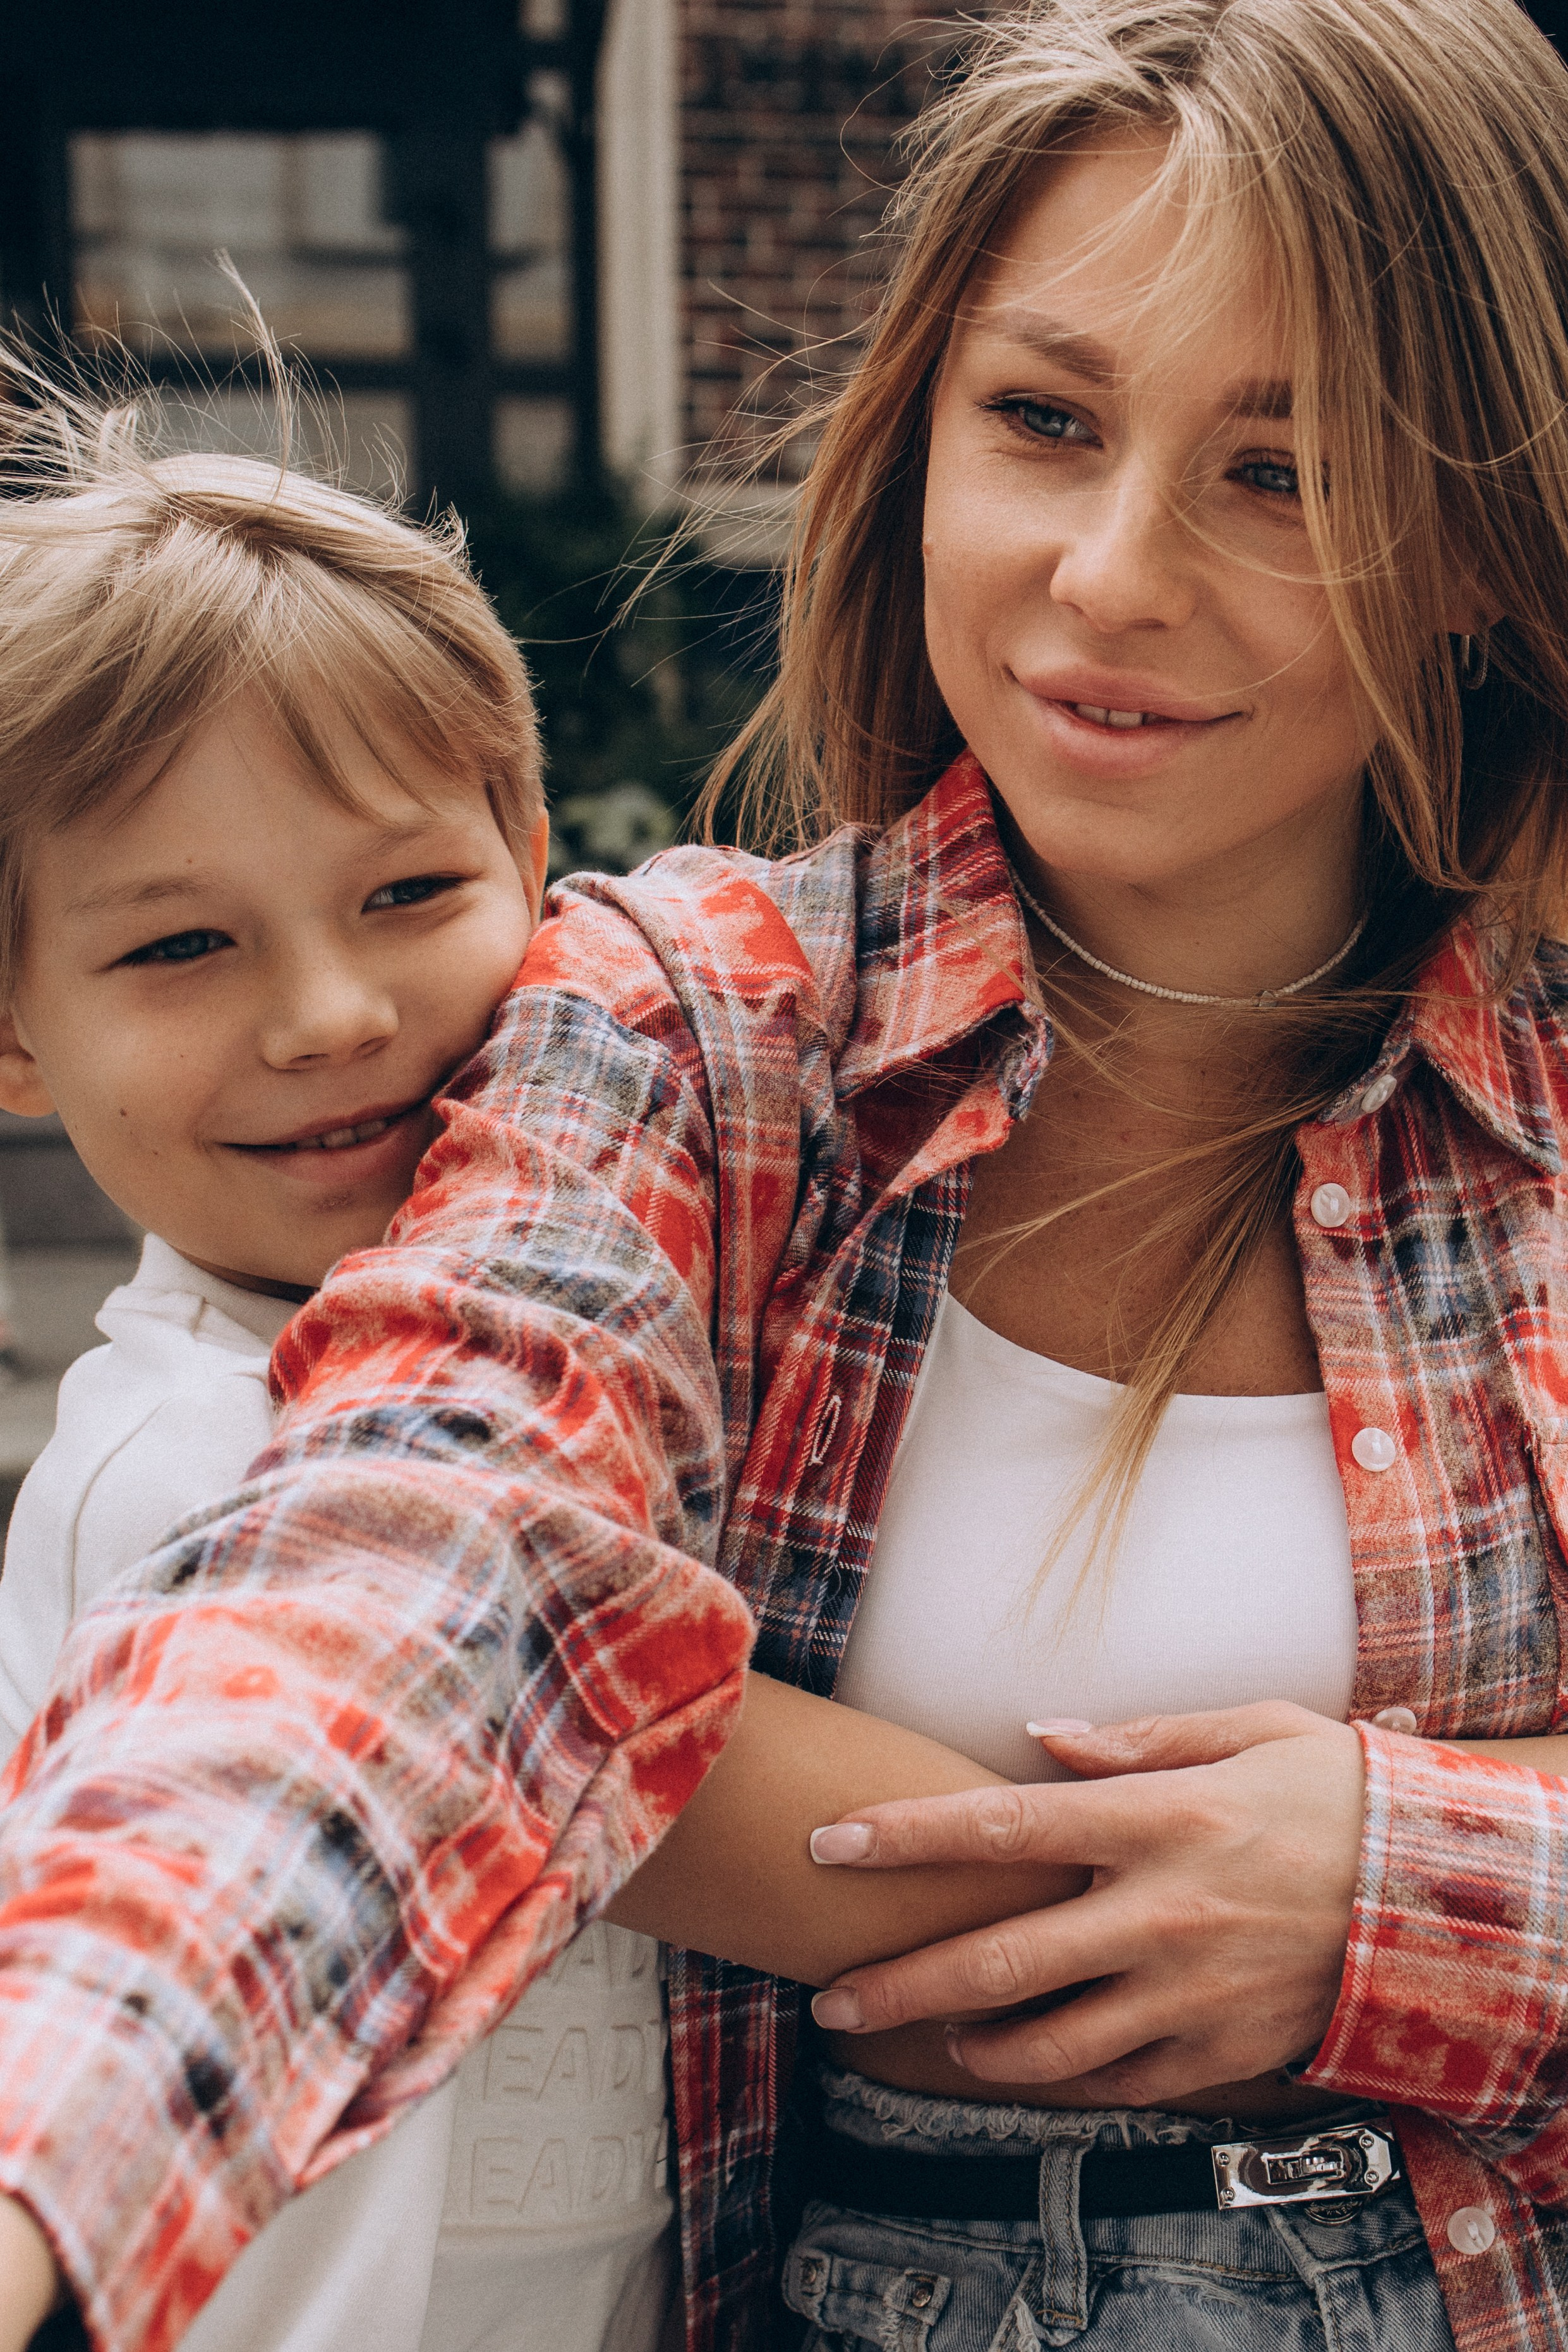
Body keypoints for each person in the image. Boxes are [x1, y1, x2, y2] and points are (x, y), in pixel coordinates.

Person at [0, 0, 1566, 2347]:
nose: (1110, 573)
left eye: (1284, 469)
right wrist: (46, 2149)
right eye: (1042, 420)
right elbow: (413, 1570)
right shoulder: (692, 1027)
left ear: (1476, 539)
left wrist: (1422, 1881)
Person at [0, 415, 685, 2352]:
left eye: (404, 895)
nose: (327, 1014)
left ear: (536, 868)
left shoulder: (614, 1352)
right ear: (14, 1029)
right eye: (180, 943)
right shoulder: (205, 1480)